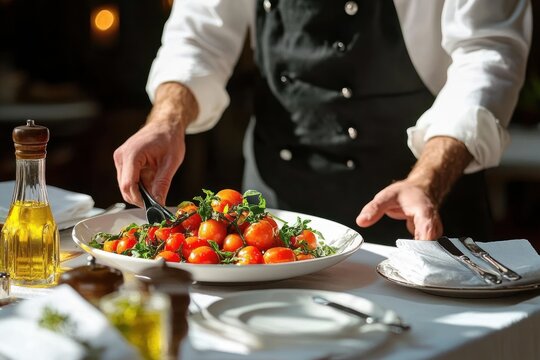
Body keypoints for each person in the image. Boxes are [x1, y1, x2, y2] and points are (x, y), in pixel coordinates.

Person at [114, 0, 532, 246]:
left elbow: (487, 53)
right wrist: (166, 120)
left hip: (416, 210)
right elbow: (198, 32)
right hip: (270, 220)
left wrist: (429, 177)